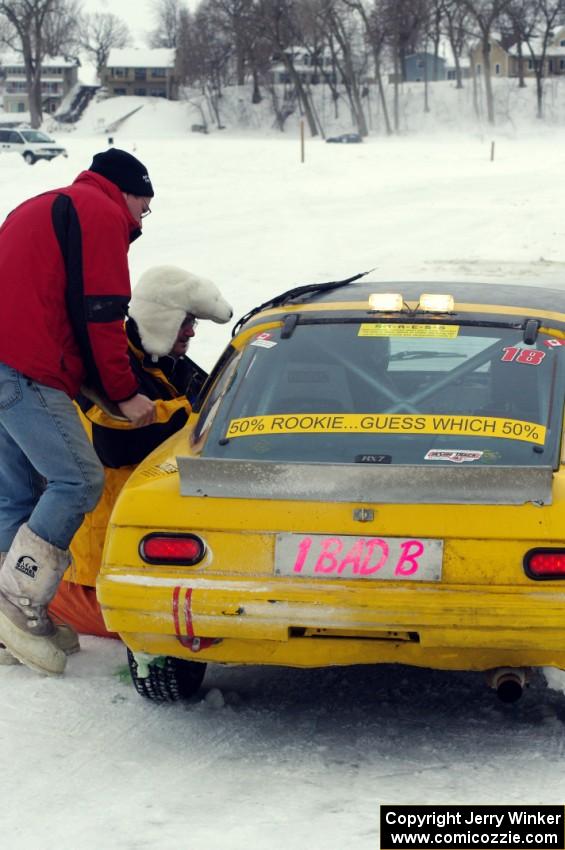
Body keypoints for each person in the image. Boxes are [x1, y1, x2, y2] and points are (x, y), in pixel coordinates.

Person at [0, 148, 157, 676]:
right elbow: (101, 312)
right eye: (145, 206)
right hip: (26, 368)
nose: (140, 221)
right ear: (130, 192)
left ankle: (15, 617)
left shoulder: (44, 204)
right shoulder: (99, 212)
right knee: (78, 480)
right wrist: (124, 392)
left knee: (17, 494)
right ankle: (17, 599)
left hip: (7, 361)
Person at [48, 265, 233, 639]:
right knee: (175, 626)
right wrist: (193, 413)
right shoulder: (107, 362)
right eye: (187, 321)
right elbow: (115, 441)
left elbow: (215, 393)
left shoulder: (160, 360)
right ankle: (22, 597)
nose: (192, 331)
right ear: (162, 318)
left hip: (143, 549)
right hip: (92, 575)